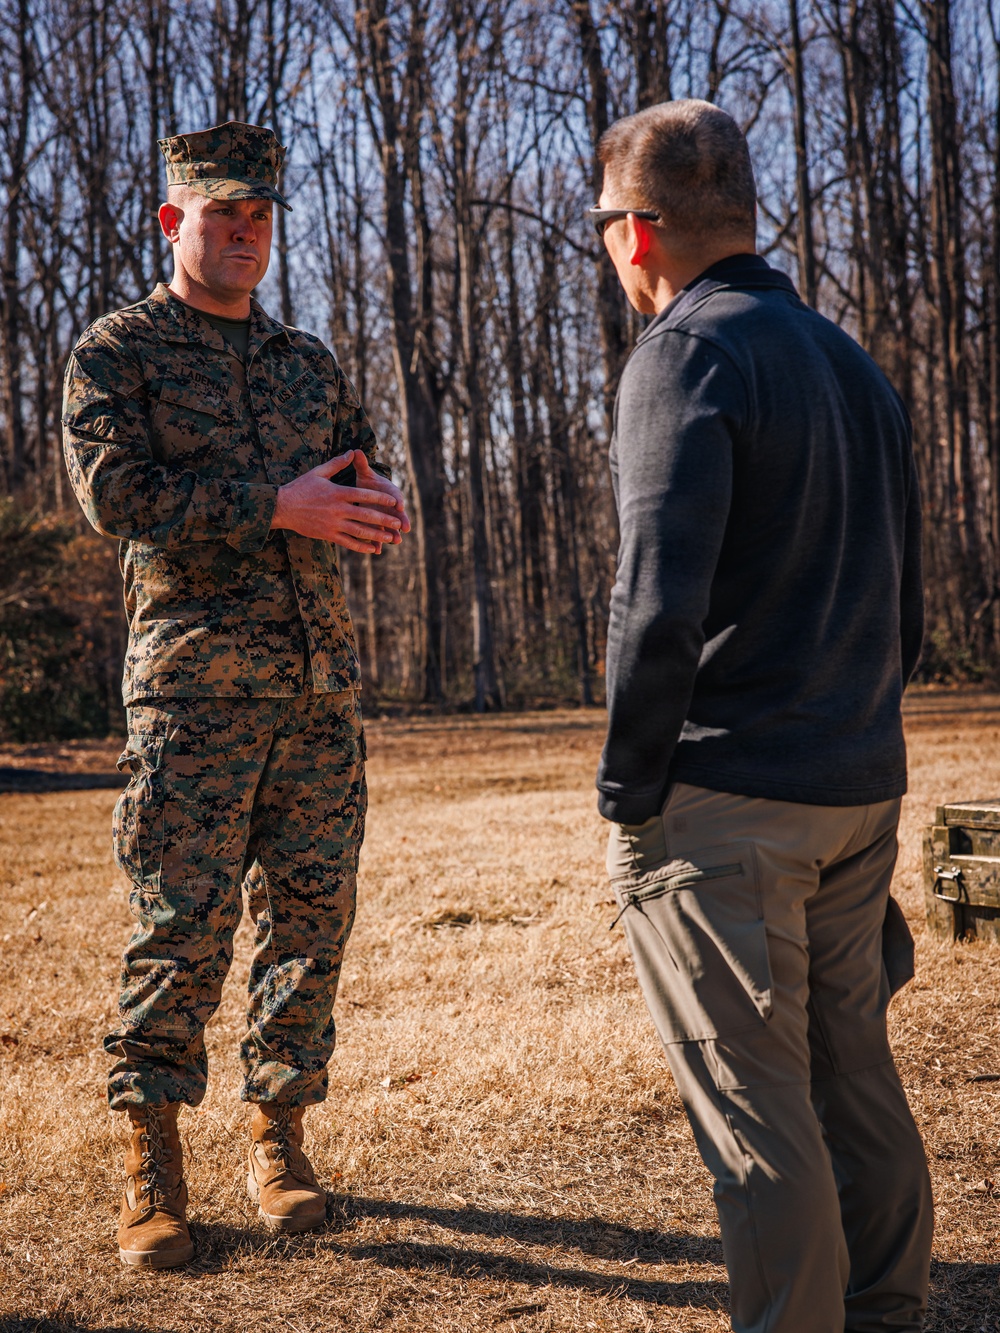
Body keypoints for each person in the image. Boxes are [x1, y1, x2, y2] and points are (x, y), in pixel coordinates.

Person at [592, 100, 932, 1333]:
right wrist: (856, 725)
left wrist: (628, 791)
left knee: (757, 1108)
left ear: (637, 235)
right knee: (852, 1073)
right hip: (857, 782)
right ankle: (890, 1307)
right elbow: (908, 608)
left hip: (727, 802)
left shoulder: (684, 357)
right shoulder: (850, 360)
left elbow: (653, 607)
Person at [62, 121, 409, 1269]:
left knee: (310, 923)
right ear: (175, 222)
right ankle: (152, 1166)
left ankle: (280, 1138)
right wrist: (277, 503)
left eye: (261, 216)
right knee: (181, 926)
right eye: (224, 216)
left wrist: (369, 504)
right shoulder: (120, 352)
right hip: (192, 694)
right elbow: (117, 495)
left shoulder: (306, 362)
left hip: (318, 690)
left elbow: (348, 469)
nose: (246, 234)